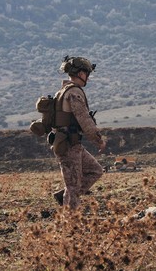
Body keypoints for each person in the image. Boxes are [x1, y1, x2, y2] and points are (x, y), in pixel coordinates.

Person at [50, 56, 106, 209]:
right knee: (73, 186)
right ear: (81, 73)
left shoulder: (62, 91)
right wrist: (98, 140)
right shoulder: (74, 92)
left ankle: (65, 196)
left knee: (95, 170)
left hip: (72, 144)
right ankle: (70, 223)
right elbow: (84, 120)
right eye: (87, 73)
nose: (87, 76)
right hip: (69, 145)